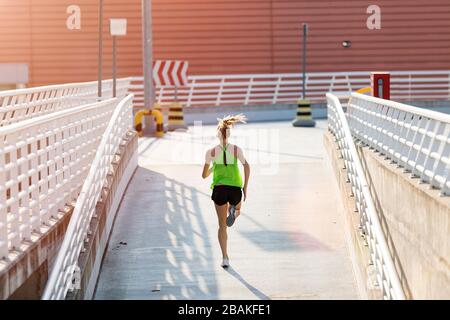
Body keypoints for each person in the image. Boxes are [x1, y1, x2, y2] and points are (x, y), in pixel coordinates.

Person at [202, 114, 250, 268]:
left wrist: (213, 167)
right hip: (235, 187)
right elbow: (247, 166)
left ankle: (225, 258)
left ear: (217, 134)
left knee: (222, 226)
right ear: (229, 134)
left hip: (219, 189)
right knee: (237, 210)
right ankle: (234, 211)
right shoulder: (236, 150)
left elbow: (204, 176)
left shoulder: (211, 152)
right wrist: (245, 187)